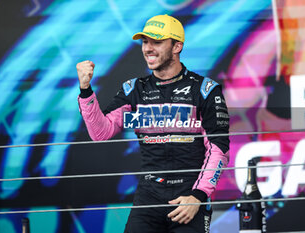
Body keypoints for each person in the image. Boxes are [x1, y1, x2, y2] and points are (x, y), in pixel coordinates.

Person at [76, 14, 230, 233]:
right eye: (145, 42)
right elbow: (101, 132)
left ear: (177, 46)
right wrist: (85, 90)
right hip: (149, 193)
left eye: (156, 42)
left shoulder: (205, 90)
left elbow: (218, 149)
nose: (148, 48)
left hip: (188, 192)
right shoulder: (133, 89)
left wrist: (198, 196)